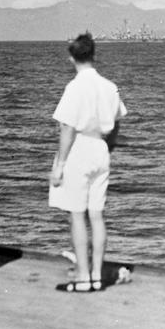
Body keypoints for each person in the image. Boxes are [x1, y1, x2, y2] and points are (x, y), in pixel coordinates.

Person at [49, 33, 126, 292]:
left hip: (79, 149)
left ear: (71, 58)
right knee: (97, 216)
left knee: (77, 215)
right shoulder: (109, 86)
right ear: (94, 55)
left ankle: (83, 277)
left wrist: (59, 165)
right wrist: (110, 145)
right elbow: (117, 123)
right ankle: (96, 274)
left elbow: (67, 128)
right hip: (100, 148)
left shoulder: (74, 88)